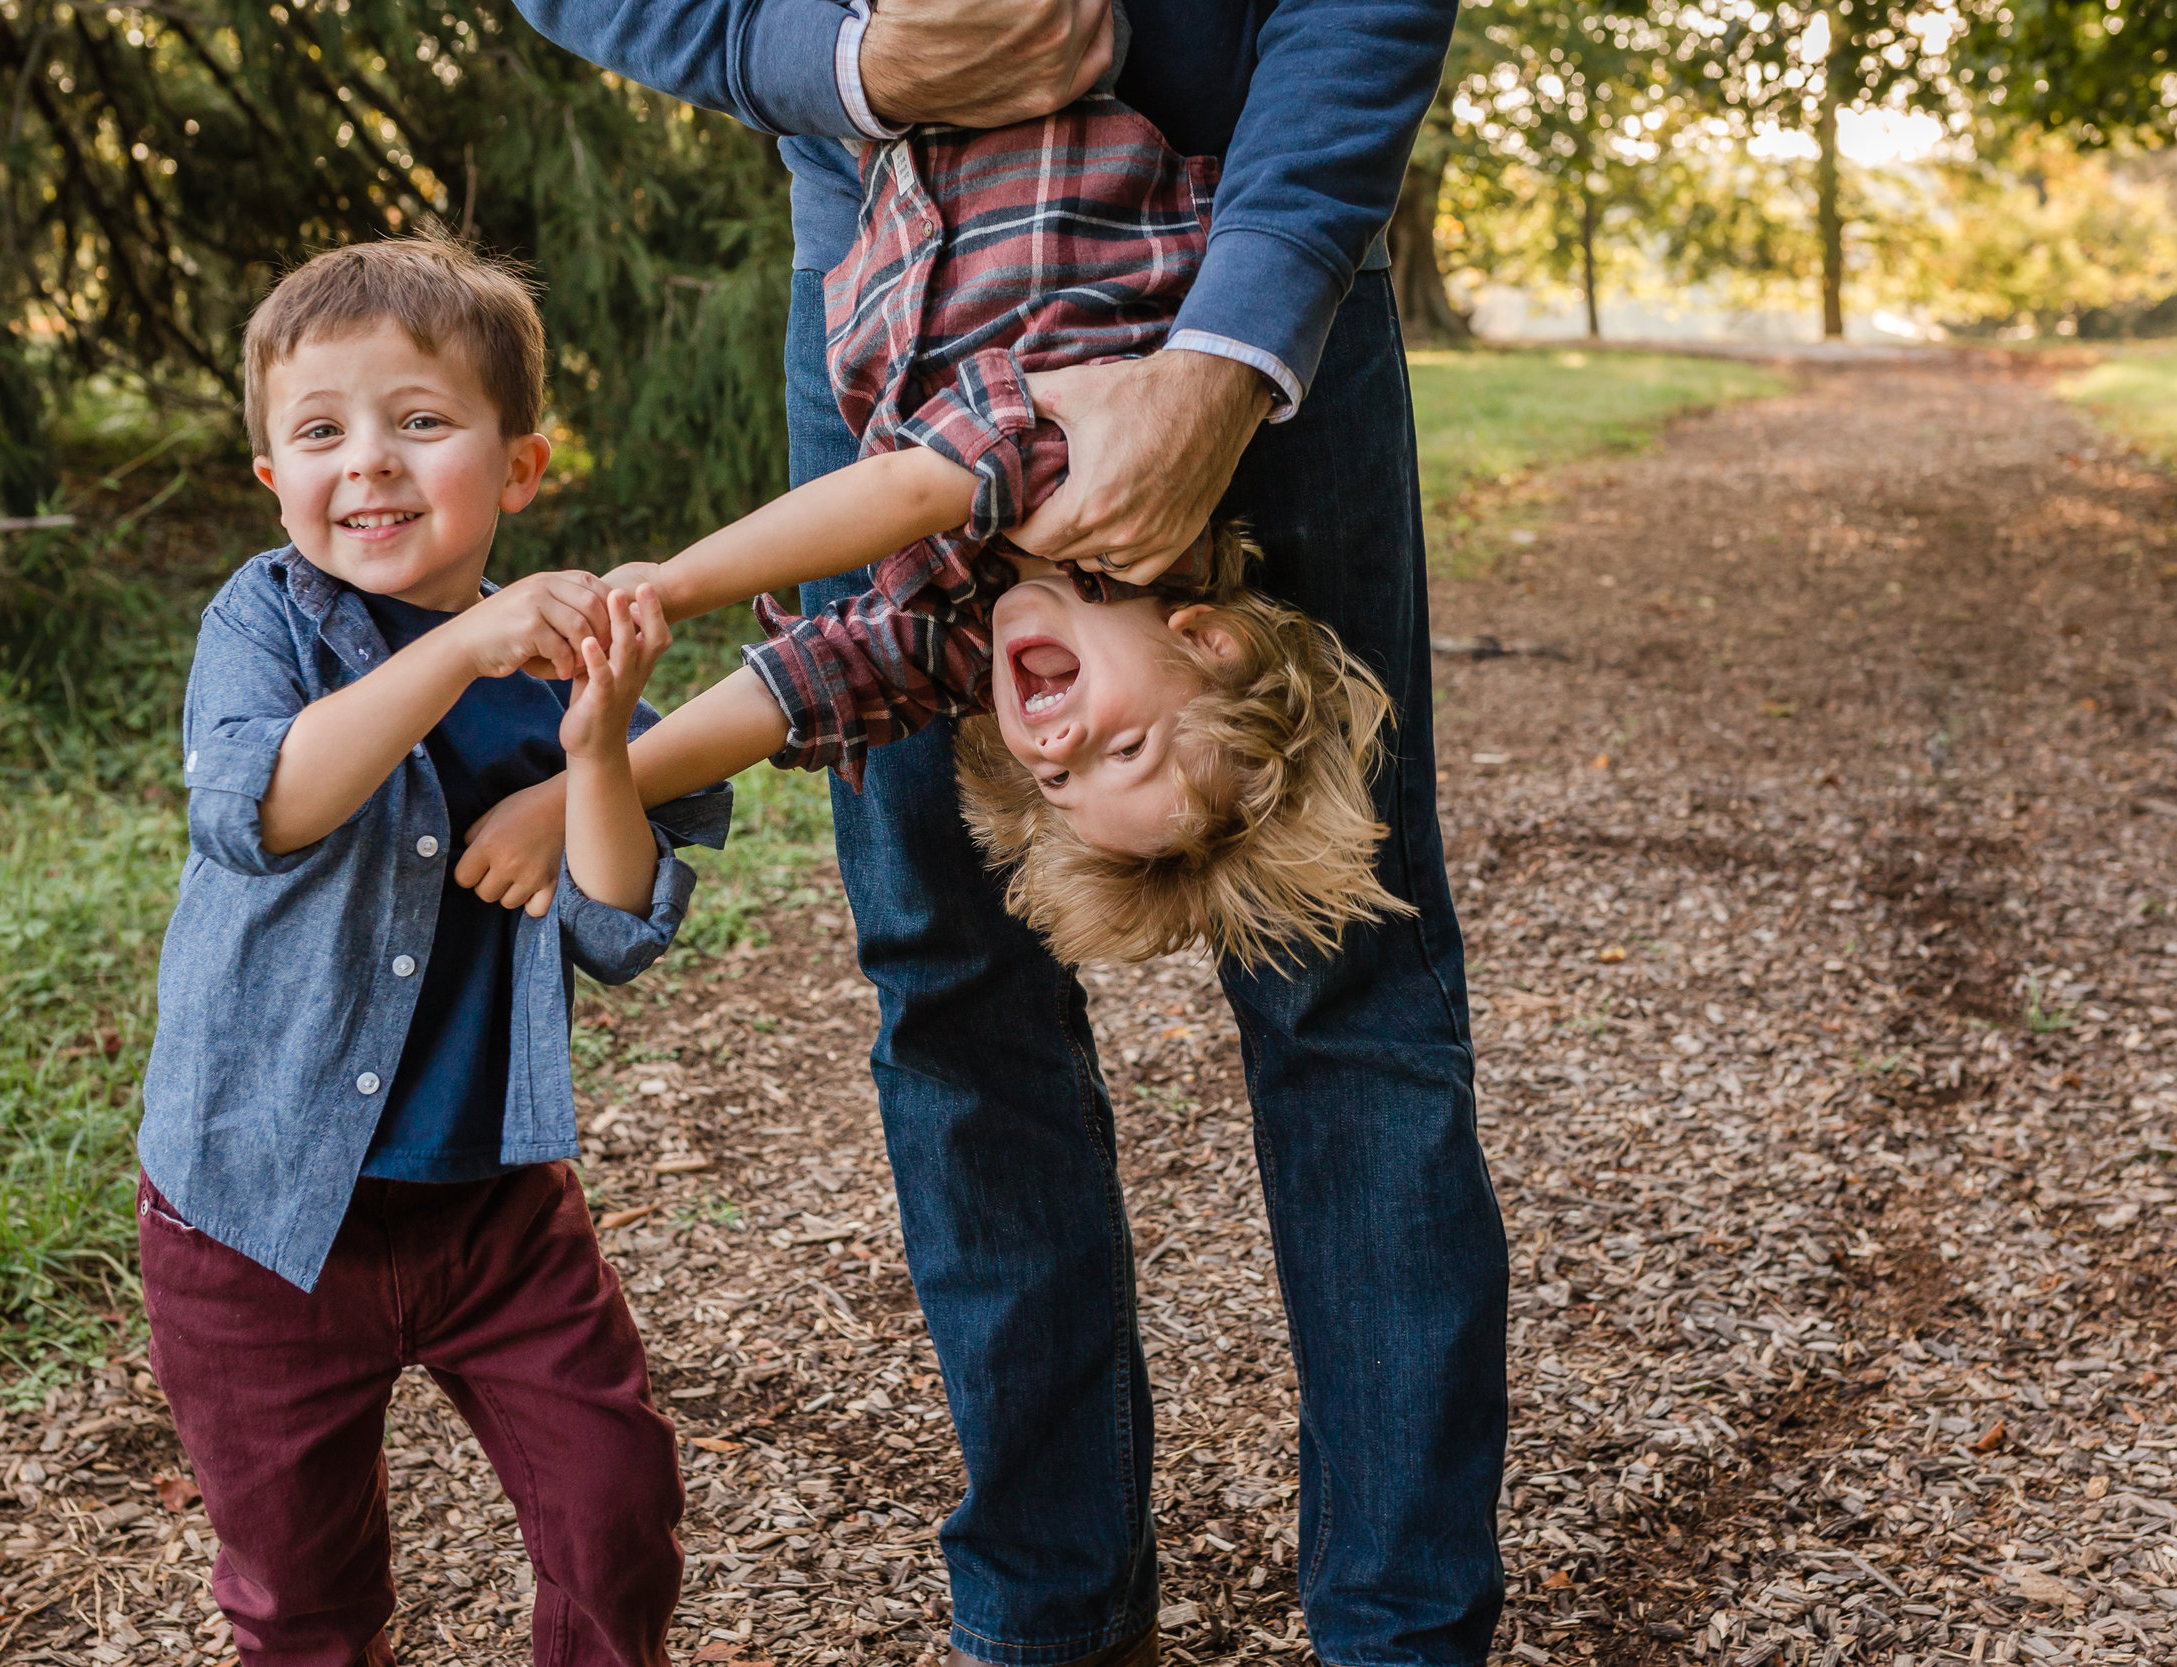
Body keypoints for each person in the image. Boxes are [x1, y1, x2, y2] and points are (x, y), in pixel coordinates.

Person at [493, 5, 1508, 1666]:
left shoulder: (970, 648)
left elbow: (815, 674)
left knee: (1336, 984)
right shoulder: (1052, 466)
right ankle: (1055, 1617)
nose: (1043, 736)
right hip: (1093, 254)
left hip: (1180, 267)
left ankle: (1391, 1636)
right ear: (1213, 639)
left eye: (1054, 772)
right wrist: (839, 67)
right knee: (953, 988)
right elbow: (906, 501)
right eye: (1108, 740)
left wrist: (594, 766)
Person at [137, 237, 725, 1667]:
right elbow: (260, 808)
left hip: (493, 1211)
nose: (372, 466)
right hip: (255, 1210)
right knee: (302, 1593)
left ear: (518, 470)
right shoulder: (265, 619)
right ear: (275, 480)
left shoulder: (550, 671)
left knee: (615, 1512)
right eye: (323, 433)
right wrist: (458, 654)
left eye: (421, 421)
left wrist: (593, 753)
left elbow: (616, 921)